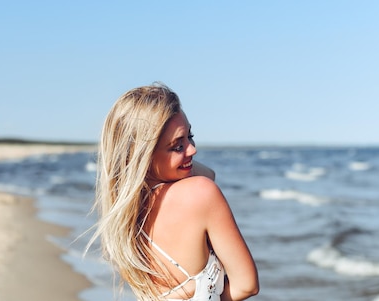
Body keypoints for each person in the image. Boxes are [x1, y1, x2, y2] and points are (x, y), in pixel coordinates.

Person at [87, 83, 259, 300]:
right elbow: (247, 285)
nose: (193, 149)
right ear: (143, 156)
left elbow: (208, 173)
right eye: (178, 146)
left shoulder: (125, 219)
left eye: (190, 136)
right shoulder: (201, 194)